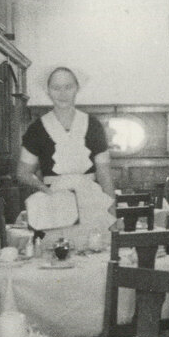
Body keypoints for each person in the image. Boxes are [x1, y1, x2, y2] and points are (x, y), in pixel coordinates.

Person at [17, 67, 116, 240]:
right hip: (55, 203)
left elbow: (105, 175)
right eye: (56, 88)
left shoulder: (93, 125)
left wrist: (113, 216)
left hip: (92, 201)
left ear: (77, 88)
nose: (62, 93)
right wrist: (44, 190)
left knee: (94, 250)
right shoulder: (37, 129)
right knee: (57, 252)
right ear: (48, 91)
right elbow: (23, 173)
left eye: (68, 87)